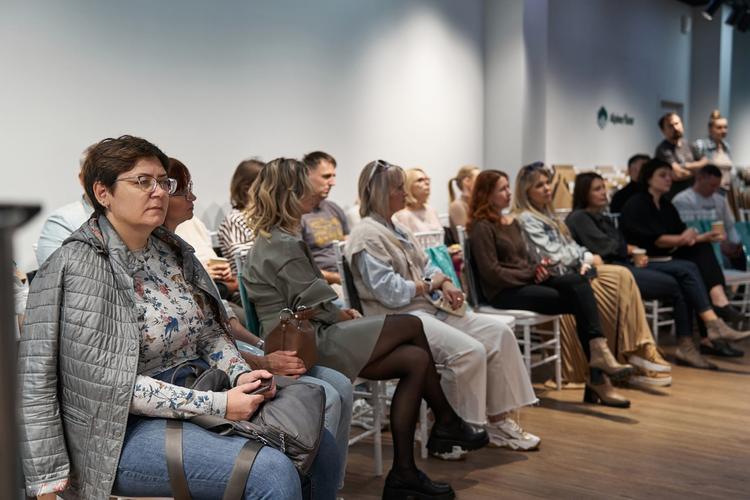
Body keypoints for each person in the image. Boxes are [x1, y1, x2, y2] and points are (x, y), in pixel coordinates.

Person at [18, 135, 339, 500]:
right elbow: (111, 385)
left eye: (163, 181)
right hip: (115, 430)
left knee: (320, 447)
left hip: (196, 388)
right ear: (103, 193)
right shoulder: (78, 268)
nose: (158, 192)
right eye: (142, 182)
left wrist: (241, 374)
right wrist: (220, 404)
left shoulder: (170, 251)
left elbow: (209, 333)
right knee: (269, 471)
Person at [242, 158, 487, 500]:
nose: (317, 192)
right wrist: (343, 316)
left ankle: (406, 471)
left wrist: (339, 313)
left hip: (308, 331)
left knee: (416, 359)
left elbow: (313, 300)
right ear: (291, 193)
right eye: (307, 186)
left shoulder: (276, 239)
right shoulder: (282, 243)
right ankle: (445, 422)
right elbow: (318, 302)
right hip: (306, 340)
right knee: (412, 324)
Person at [164, 155, 356, 491]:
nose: (193, 196)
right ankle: (303, 484)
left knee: (338, 384)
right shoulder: (268, 241)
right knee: (323, 394)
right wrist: (262, 360)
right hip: (203, 375)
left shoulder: (184, 254)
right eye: (182, 190)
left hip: (232, 352)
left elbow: (222, 326)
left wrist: (262, 348)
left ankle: (325, 487)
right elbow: (201, 343)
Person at [347, 159, 541, 451]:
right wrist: (430, 284)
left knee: (499, 333)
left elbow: (427, 266)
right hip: (399, 319)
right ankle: (456, 429)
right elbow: (389, 293)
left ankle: (498, 421)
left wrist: (446, 283)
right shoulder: (366, 235)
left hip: (427, 308)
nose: (405, 193)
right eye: (399, 188)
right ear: (381, 192)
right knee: (469, 352)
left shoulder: (398, 229)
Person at [467, 169, 638, 404]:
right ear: (486, 195)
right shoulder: (482, 227)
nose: (508, 192)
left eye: (508, 187)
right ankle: (598, 377)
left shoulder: (510, 223)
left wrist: (539, 267)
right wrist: (531, 273)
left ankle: (599, 358)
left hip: (525, 280)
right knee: (581, 301)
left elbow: (524, 259)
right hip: (504, 292)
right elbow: (492, 273)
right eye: (502, 189)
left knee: (579, 283)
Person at [513, 163, 671, 396]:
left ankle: (635, 349)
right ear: (526, 192)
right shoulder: (528, 218)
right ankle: (631, 352)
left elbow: (570, 247)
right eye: (539, 185)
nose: (547, 188)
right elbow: (552, 255)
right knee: (619, 276)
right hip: (559, 275)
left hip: (573, 269)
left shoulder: (547, 214)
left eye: (547, 183)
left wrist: (584, 257)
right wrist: (585, 257)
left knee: (622, 275)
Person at [568, 171, 747, 366]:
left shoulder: (603, 217)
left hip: (627, 264)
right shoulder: (579, 217)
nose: (604, 192)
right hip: (611, 272)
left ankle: (706, 329)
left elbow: (619, 245)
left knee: (688, 268)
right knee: (682, 280)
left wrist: (631, 251)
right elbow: (606, 247)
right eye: (597, 189)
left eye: (603, 187)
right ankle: (700, 335)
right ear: (584, 192)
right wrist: (630, 249)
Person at [620, 159, 750, 367]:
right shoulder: (637, 203)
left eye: (670, 175)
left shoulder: (666, 204)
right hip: (644, 261)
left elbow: (680, 233)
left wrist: (701, 236)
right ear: (649, 178)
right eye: (663, 175)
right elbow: (656, 240)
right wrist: (683, 238)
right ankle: (713, 323)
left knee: (701, 249)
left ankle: (718, 307)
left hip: (666, 257)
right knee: (688, 270)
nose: (669, 179)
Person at [672, 164, 745, 270]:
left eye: (717, 186)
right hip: (696, 249)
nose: (715, 189)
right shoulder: (682, 200)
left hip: (721, 247)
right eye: (712, 185)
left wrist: (735, 243)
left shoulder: (720, 200)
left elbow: (729, 226)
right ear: (699, 178)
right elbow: (688, 232)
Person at [35, 144, 95, 266]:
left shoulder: (130, 215)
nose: (105, 184)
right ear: (82, 179)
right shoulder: (63, 221)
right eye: (97, 175)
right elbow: (54, 274)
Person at [300, 151, 349, 291]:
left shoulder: (334, 208)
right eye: (326, 176)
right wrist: (338, 278)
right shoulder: (298, 216)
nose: (333, 182)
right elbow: (300, 267)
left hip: (347, 276)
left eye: (333, 176)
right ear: (307, 175)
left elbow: (348, 244)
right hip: (323, 285)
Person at [218, 158, 263, 275]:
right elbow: (245, 262)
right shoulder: (234, 220)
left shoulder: (264, 217)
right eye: (266, 184)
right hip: (249, 283)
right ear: (247, 188)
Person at [654, 112, 708, 197]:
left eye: (677, 123)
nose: (675, 128)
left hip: (693, 195)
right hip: (674, 197)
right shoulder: (663, 149)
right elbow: (677, 175)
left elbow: (705, 162)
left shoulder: (689, 145)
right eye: (670, 126)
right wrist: (697, 170)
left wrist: (685, 165)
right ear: (663, 130)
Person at [692, 110, 734, 190]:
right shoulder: (700, 146)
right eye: (719, 128)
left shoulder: (726, 147)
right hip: (708, 191)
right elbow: (696, 172)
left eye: (725, 127)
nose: (723, 131)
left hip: (725, 190)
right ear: (710, 129)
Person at [447, 165, 480, 232]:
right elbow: (467, 234)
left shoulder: (479, 203)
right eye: (479, 179)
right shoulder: (457, 206)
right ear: (467, 181)